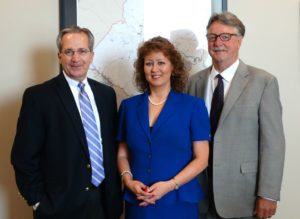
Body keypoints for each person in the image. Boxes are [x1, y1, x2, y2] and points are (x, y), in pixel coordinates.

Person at [11, 26, 122, 219]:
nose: (76, 58)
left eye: (82, 51)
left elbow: (110, 148)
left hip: (105, 205)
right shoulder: (38, 97)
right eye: (69, 52)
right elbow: (23, 157)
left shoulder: (106, 95)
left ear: (92, 55)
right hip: (59, 208)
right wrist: (37, 202)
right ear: (59, 56)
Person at [187, 12, 285, 219]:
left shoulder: (263, 82)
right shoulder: (194, 82)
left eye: (225, 36)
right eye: (212, 37)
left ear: (240, 40)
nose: (217, 43)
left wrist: (268, 193)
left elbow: (273, 143)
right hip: (198, 194)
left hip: (242, 195)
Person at [116, 36, 210, 219]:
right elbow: (122, 154)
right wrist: (128, 181)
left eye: (161, 62)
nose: (154, 69)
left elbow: (202, 159)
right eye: (149, 63)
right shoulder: (128, 107)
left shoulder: (193, 106)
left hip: (178, 201)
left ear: (173, 67)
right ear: (142, 69)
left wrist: (170, 185)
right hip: (139, 201)